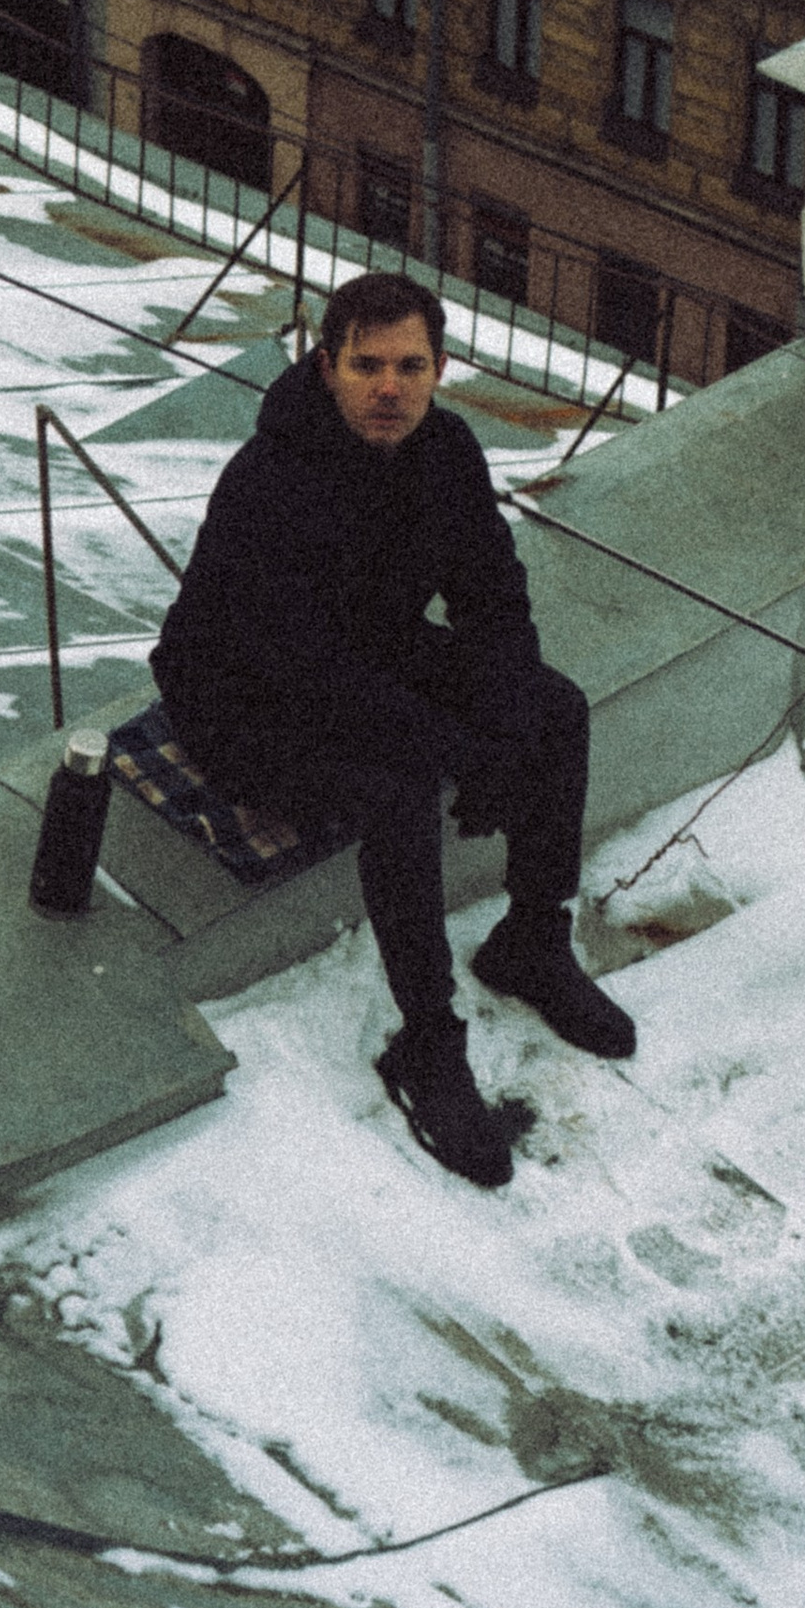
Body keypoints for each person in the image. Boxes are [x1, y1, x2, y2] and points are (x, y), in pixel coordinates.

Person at [153, 269, 634, 1186]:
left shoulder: (446, 450)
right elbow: (302, 663)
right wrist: (461, 751)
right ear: (326, 366)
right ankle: (428, 1040)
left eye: (410, 367)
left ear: (440, 369)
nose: (389, 388)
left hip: (369, 650)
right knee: (398, 790)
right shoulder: (272, 476)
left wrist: (503, 727)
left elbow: (493, 597)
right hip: (242, 694)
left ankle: (532, 940)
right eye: (366, 365)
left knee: (553, 708)